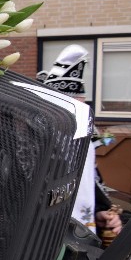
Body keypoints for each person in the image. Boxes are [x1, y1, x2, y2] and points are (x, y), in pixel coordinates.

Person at [38, 44, 123, 238]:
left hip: (80, 246)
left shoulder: (83, 141)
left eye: (82, 109)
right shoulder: (32, 148)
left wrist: (98, 214)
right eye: (72, 110)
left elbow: (86, 189)